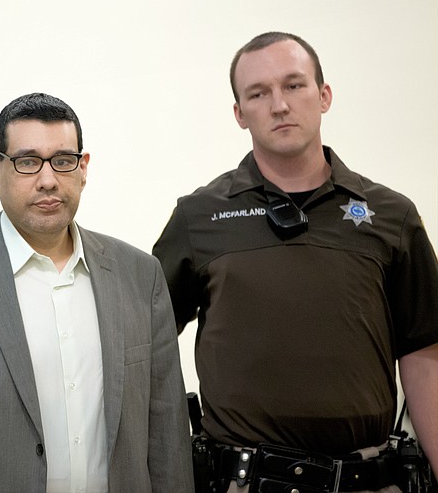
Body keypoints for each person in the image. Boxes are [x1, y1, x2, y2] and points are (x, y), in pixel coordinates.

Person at [153, 31, 438, 493]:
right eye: (258, 93)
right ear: (239, 114)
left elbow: (425, 355)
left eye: (294, 85)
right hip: (241, 482)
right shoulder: (198, 217)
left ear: (324, 96)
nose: (279, 105)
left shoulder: (392, 215)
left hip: (368, 481)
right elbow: (144, 343)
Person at [0, 92, 195, 492]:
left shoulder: (139, 275)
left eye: (63, 161)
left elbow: (167, 433)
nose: (48, 180)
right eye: (27, 162)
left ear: (83, 168)